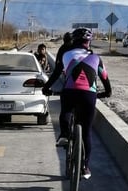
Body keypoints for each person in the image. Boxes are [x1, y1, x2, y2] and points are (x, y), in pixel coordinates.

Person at [42, 28, 112, 179]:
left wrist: (46, 88)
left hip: (70, 91)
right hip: (89, 95)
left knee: (66, 110)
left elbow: (55, 74)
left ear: (74, 41)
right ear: (89, 42)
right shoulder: (96, 58)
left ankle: (65, 135)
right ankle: (85, 167)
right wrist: (107, 92)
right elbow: (105, 78)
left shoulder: (66, 54)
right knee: (86, 132)